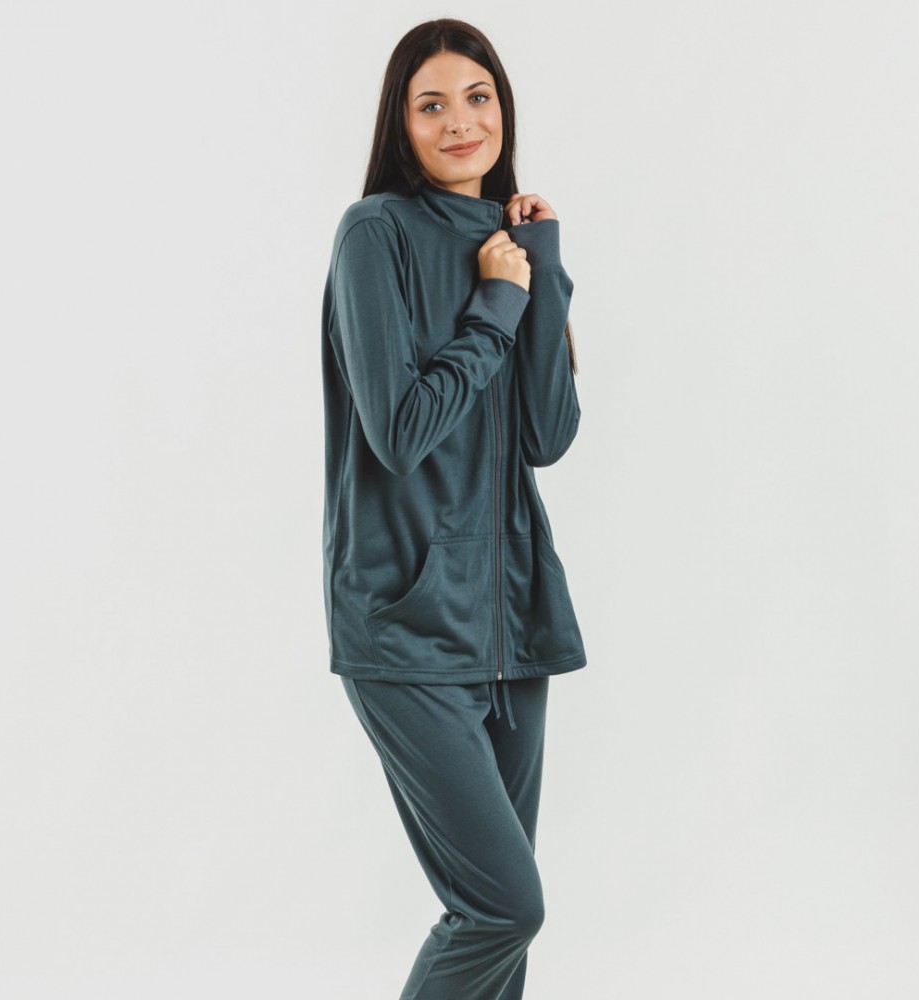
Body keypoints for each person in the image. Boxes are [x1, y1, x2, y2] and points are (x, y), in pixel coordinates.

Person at [320, 18, 586, 1000]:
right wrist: (497, 307)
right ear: (400, 124)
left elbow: (546, 435)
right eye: (431, 105)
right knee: (502, 908)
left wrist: (540, 268)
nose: (460, 121)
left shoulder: (510, 247)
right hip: (405, 620)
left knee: (501, 940)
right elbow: (399, 431)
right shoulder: (374, 234)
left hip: (513, 621)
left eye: (478, 97)